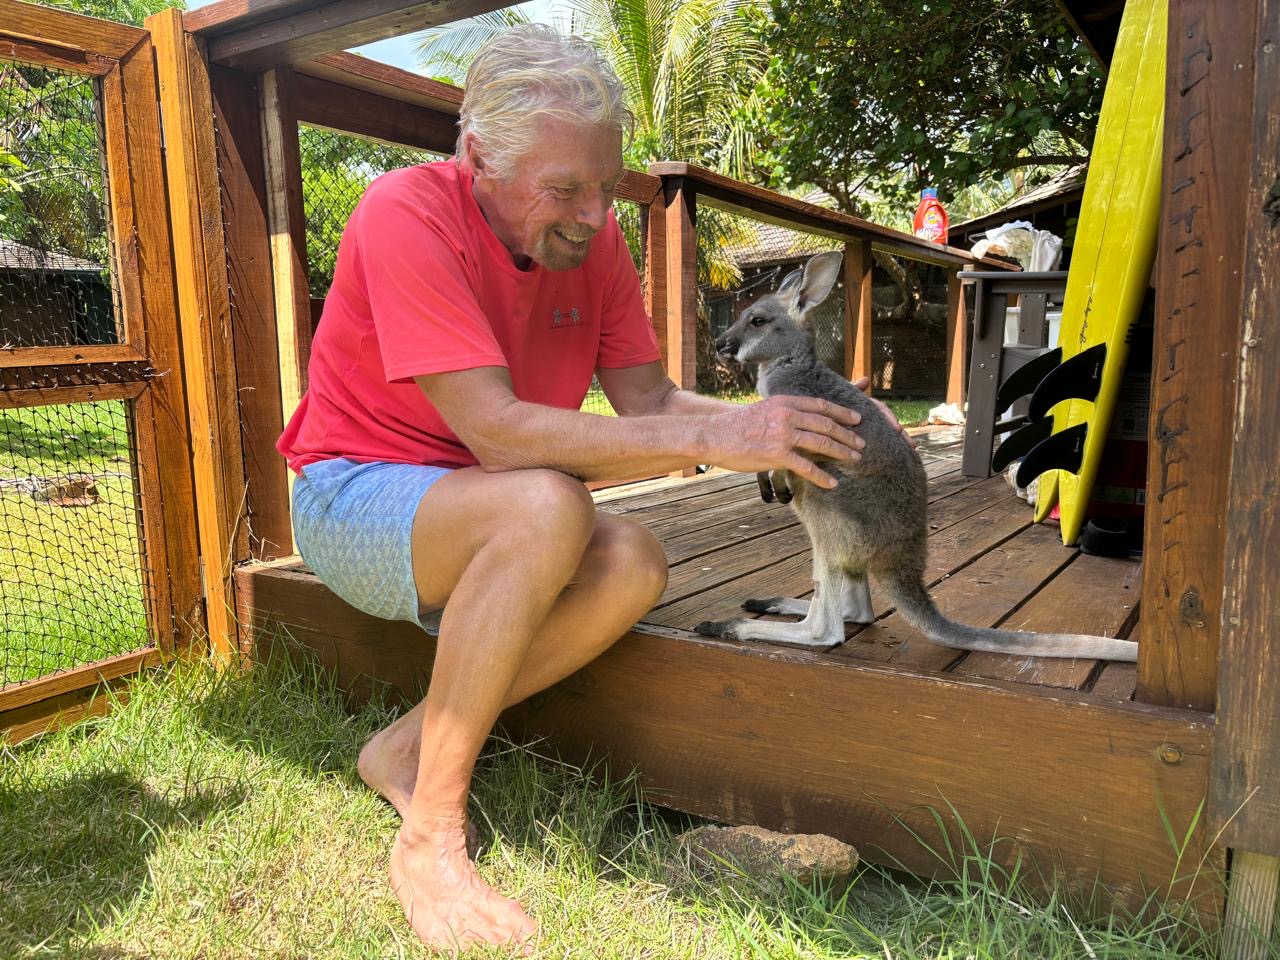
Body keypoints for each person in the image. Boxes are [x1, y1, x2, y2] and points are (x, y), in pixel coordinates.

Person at [277, 24, 902, 955]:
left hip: (490, 505)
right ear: (477, 157)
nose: (592, 216)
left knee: (634, 562)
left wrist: (794, 420)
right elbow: (495, 433)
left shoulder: (592, 246)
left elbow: (649, 400)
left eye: (607, 188)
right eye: (564, 190)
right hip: (354, 496)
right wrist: (718, 438)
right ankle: (429, 836)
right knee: (547, 503)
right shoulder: (403, 213)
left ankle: (407, 748)